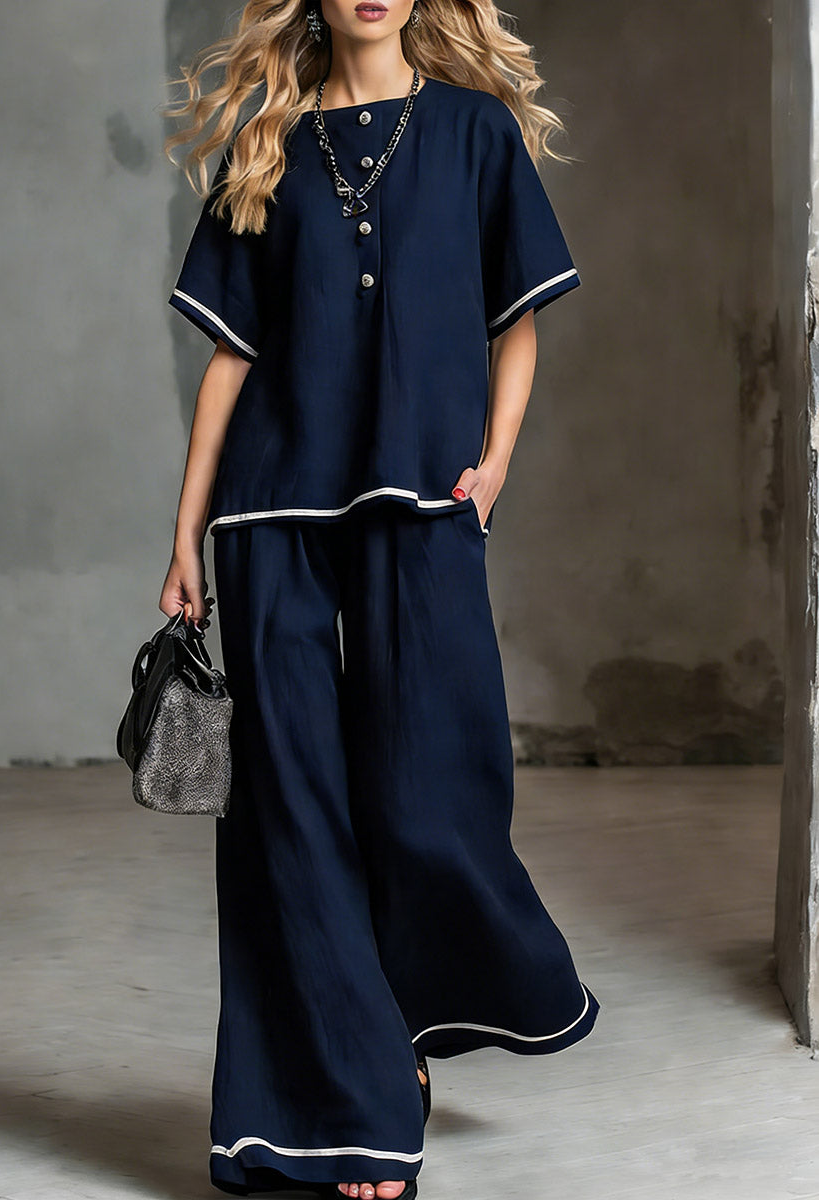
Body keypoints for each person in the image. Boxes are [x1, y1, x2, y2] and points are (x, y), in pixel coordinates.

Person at [159, 0, 600, 1196]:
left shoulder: (473, 131)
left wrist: (494, 464)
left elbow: (517, 319)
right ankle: (353, 1105)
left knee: (429, 785)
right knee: (290, 812)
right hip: (269, 515)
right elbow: (233, 356)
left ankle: (411, 1008)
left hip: (423, 501)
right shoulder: (267, 141)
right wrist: (188, 528)